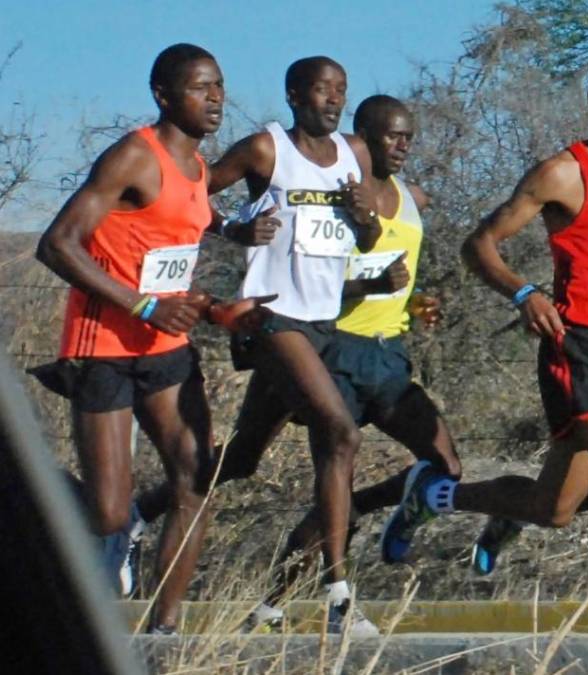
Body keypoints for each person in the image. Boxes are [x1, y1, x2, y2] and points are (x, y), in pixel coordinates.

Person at [378, 47, 588, 635]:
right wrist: (523, 293)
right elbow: (478, 244)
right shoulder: (564, 173)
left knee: (552, 510)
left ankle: (433, 496)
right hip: (579, 347)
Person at [30, 43, 242, 633]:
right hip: (104, 348)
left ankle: (164, 632)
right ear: (164, 95)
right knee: (108, 511)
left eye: (220, 86)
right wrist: (143, 306)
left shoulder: (200, 170)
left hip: (164, 352)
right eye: (201, 87)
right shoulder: (134, 158)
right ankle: (34, 496)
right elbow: (56, 244)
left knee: (196, 475)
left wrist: (216, 309)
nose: (216, 98)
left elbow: (165, 265)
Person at [204, 55, 383, 635]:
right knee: (340, 433)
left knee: (240, 459)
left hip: (322, 321)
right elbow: (189, 193)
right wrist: (232, 229)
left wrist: (366, 220)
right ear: (294, 94)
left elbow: (368, 232)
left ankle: (136, 515)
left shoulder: (353, 155)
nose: (333, 100)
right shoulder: (266, 150)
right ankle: (338, 593)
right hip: (271, 316)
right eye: (323, 90)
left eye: (342, 91)